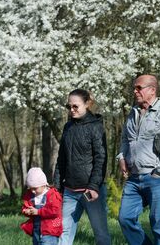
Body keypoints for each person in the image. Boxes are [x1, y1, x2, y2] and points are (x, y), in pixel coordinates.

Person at [117, 74, 160, 245]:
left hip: (156, 178)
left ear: (152, 90)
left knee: (159, 225)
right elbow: (125, 139)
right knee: (125, 218)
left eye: (139, 87)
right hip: (133, 179)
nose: (135, 91)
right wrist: (122, 157)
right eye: (134, 87)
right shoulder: (132, 113)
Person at [53, 89, 111, 245]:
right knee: (63, 233)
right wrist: (57, 187)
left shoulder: (96, 127)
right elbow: (61, 159)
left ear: (87, 104)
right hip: (69, 191)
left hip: (90, 191)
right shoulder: (68, 127)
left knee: (101, 234)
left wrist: (93, 186)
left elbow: (101, 158)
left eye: (75, 106)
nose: (71, 110)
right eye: (69, 106)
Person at [20, 167, 63, 245]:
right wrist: (26, 211)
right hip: (36, 230)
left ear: (43, 184)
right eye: (31, 188)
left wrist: (38, 211)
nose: (33, 191)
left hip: (50, 230)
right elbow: (25, 206)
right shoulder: (31, 195)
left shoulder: (52, 195)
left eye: (35, 188)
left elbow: (55, 211)